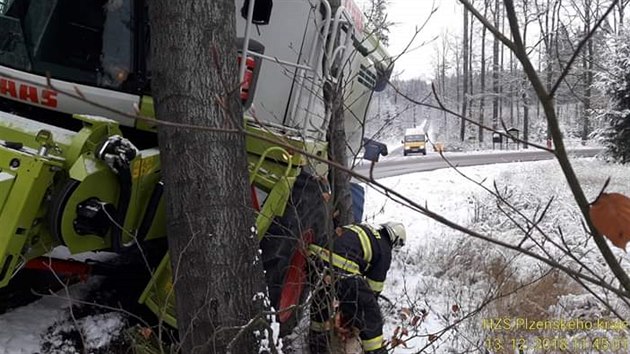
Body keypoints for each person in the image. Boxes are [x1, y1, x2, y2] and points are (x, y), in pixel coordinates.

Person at [308, 221, 407, 354]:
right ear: (395, 240)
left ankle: (317, 343)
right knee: (370, 311)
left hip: (315, 260)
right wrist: (360, 311)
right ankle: (376, 351)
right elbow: (374, 288)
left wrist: (348, 308)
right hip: (342, 267)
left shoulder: (365, 230)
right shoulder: (384, 248)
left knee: (322, 300)